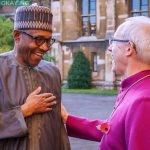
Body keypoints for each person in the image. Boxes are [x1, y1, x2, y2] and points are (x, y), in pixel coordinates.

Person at [61, 16, 150, 150]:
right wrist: (68, 120)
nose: (109, 48)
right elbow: (111, 130)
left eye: (113, 42)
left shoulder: (144, 101)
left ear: (129, 48)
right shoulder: (136, 87)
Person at [0, 4, 70, 150]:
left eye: (48, 41)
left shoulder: (52, 72)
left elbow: (58, 129)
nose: (45, 47)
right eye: (38, 39)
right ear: (17, 36)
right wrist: (24, 111)